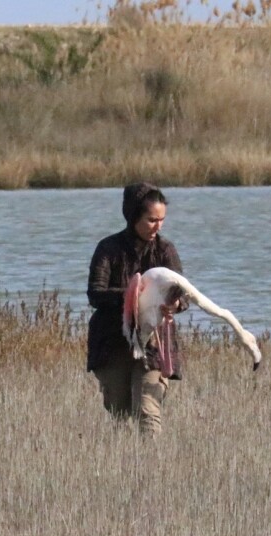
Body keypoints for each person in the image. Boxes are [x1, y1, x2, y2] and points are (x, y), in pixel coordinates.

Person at [87, 182, 188, 435]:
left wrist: (173, 305)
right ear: (133, 217)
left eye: (162, 220)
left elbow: (182, 295)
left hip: (154, 341)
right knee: (118, 411)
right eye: (151, 219)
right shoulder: (108, 249)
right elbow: (96, 294)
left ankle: (152, 467)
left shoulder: (166, 250)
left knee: (148, 408)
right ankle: (125, 466)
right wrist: (136, 296)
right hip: (112, 340)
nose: (158, 226)